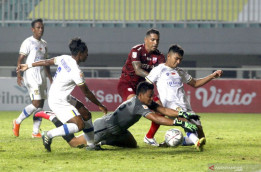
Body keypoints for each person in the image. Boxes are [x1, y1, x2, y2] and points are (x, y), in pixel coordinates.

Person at [35, 82, 200, 150]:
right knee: (74, 143)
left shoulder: (144, 101)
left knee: (132, 145)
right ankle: (53, 118)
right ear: (141, 94)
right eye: (150, 95)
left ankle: (103, 142)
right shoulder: (138, 105)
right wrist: (180, 123)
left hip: (119, 129)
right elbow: (157, 118)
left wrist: (183, 115)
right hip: (105, 126)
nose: (152, 98)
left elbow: (163, 110)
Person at [17, 38, 108, 152]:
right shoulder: (76, 71)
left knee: (86, 114)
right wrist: (100, 105)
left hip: (61, 96)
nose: (87, 55)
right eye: (86, 53)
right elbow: (86, 92)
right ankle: (49, 134)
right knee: (79, 125)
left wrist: (29, 65)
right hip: (58, 100)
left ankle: (91, 145)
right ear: (80, 54)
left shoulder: (65, 58)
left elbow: (47, 61)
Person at [145, 44, 223, 151]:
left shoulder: (180, 71)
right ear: (168, 56)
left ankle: (174, 141)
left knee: (200, 131)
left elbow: (195, 83)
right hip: (171, 106)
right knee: (185, 122)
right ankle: (196, 142)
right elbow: (146, 84)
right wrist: (154, 101)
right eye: (176, 59)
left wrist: (212, 76)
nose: (178, 62)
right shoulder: (159, 70)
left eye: (180, 60)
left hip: (185, 106)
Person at [117, 28, 166, 146]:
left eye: (157, 40)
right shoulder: (136, 50)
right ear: (146, 40)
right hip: (127, 84)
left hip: (144, 88)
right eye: (152, 40)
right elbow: (138, 70)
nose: (155, 42)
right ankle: (112, 131)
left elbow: (163, 73)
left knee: (160, 108)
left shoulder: (159, 56)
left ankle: (149, 137)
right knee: (134, 106)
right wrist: (153, 77)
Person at [13, 18, 53, 138]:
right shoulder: (28, 42)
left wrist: (50, 78)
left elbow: (46, 63)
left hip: (42, 75)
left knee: (40, 104)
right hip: (31, 74)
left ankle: (35, 132)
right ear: (33, 29)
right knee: (36, 103)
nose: (40, 29)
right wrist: (19, 75)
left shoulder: (44, 44)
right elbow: (20, 59)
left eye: (42, 27)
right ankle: (17, 121)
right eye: (38, 27)